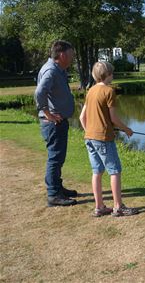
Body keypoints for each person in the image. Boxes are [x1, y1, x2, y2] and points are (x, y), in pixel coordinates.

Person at [79, 61, 138, 217]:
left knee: (97, 172)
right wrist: (127, 129)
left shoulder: (90, 91)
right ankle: (118, 207)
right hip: (104, 138)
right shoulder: (109, 91)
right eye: (112, 73)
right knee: (115, 171)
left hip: (89, 138)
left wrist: (90, 132)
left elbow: (81, 117)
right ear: (108, 74)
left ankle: (99, 207)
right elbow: (113, 119)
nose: (113, 76)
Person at [35, 40, 78, 207]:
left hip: (58, 123)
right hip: (54, 124)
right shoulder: (51, 71)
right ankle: (53, 194)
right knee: (55, 158)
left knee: (58, 158)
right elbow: (39, 92)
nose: (73, 57)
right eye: (71, 54)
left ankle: (57, 187)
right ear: (62, 55)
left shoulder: (58, 69)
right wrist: (48, 114)